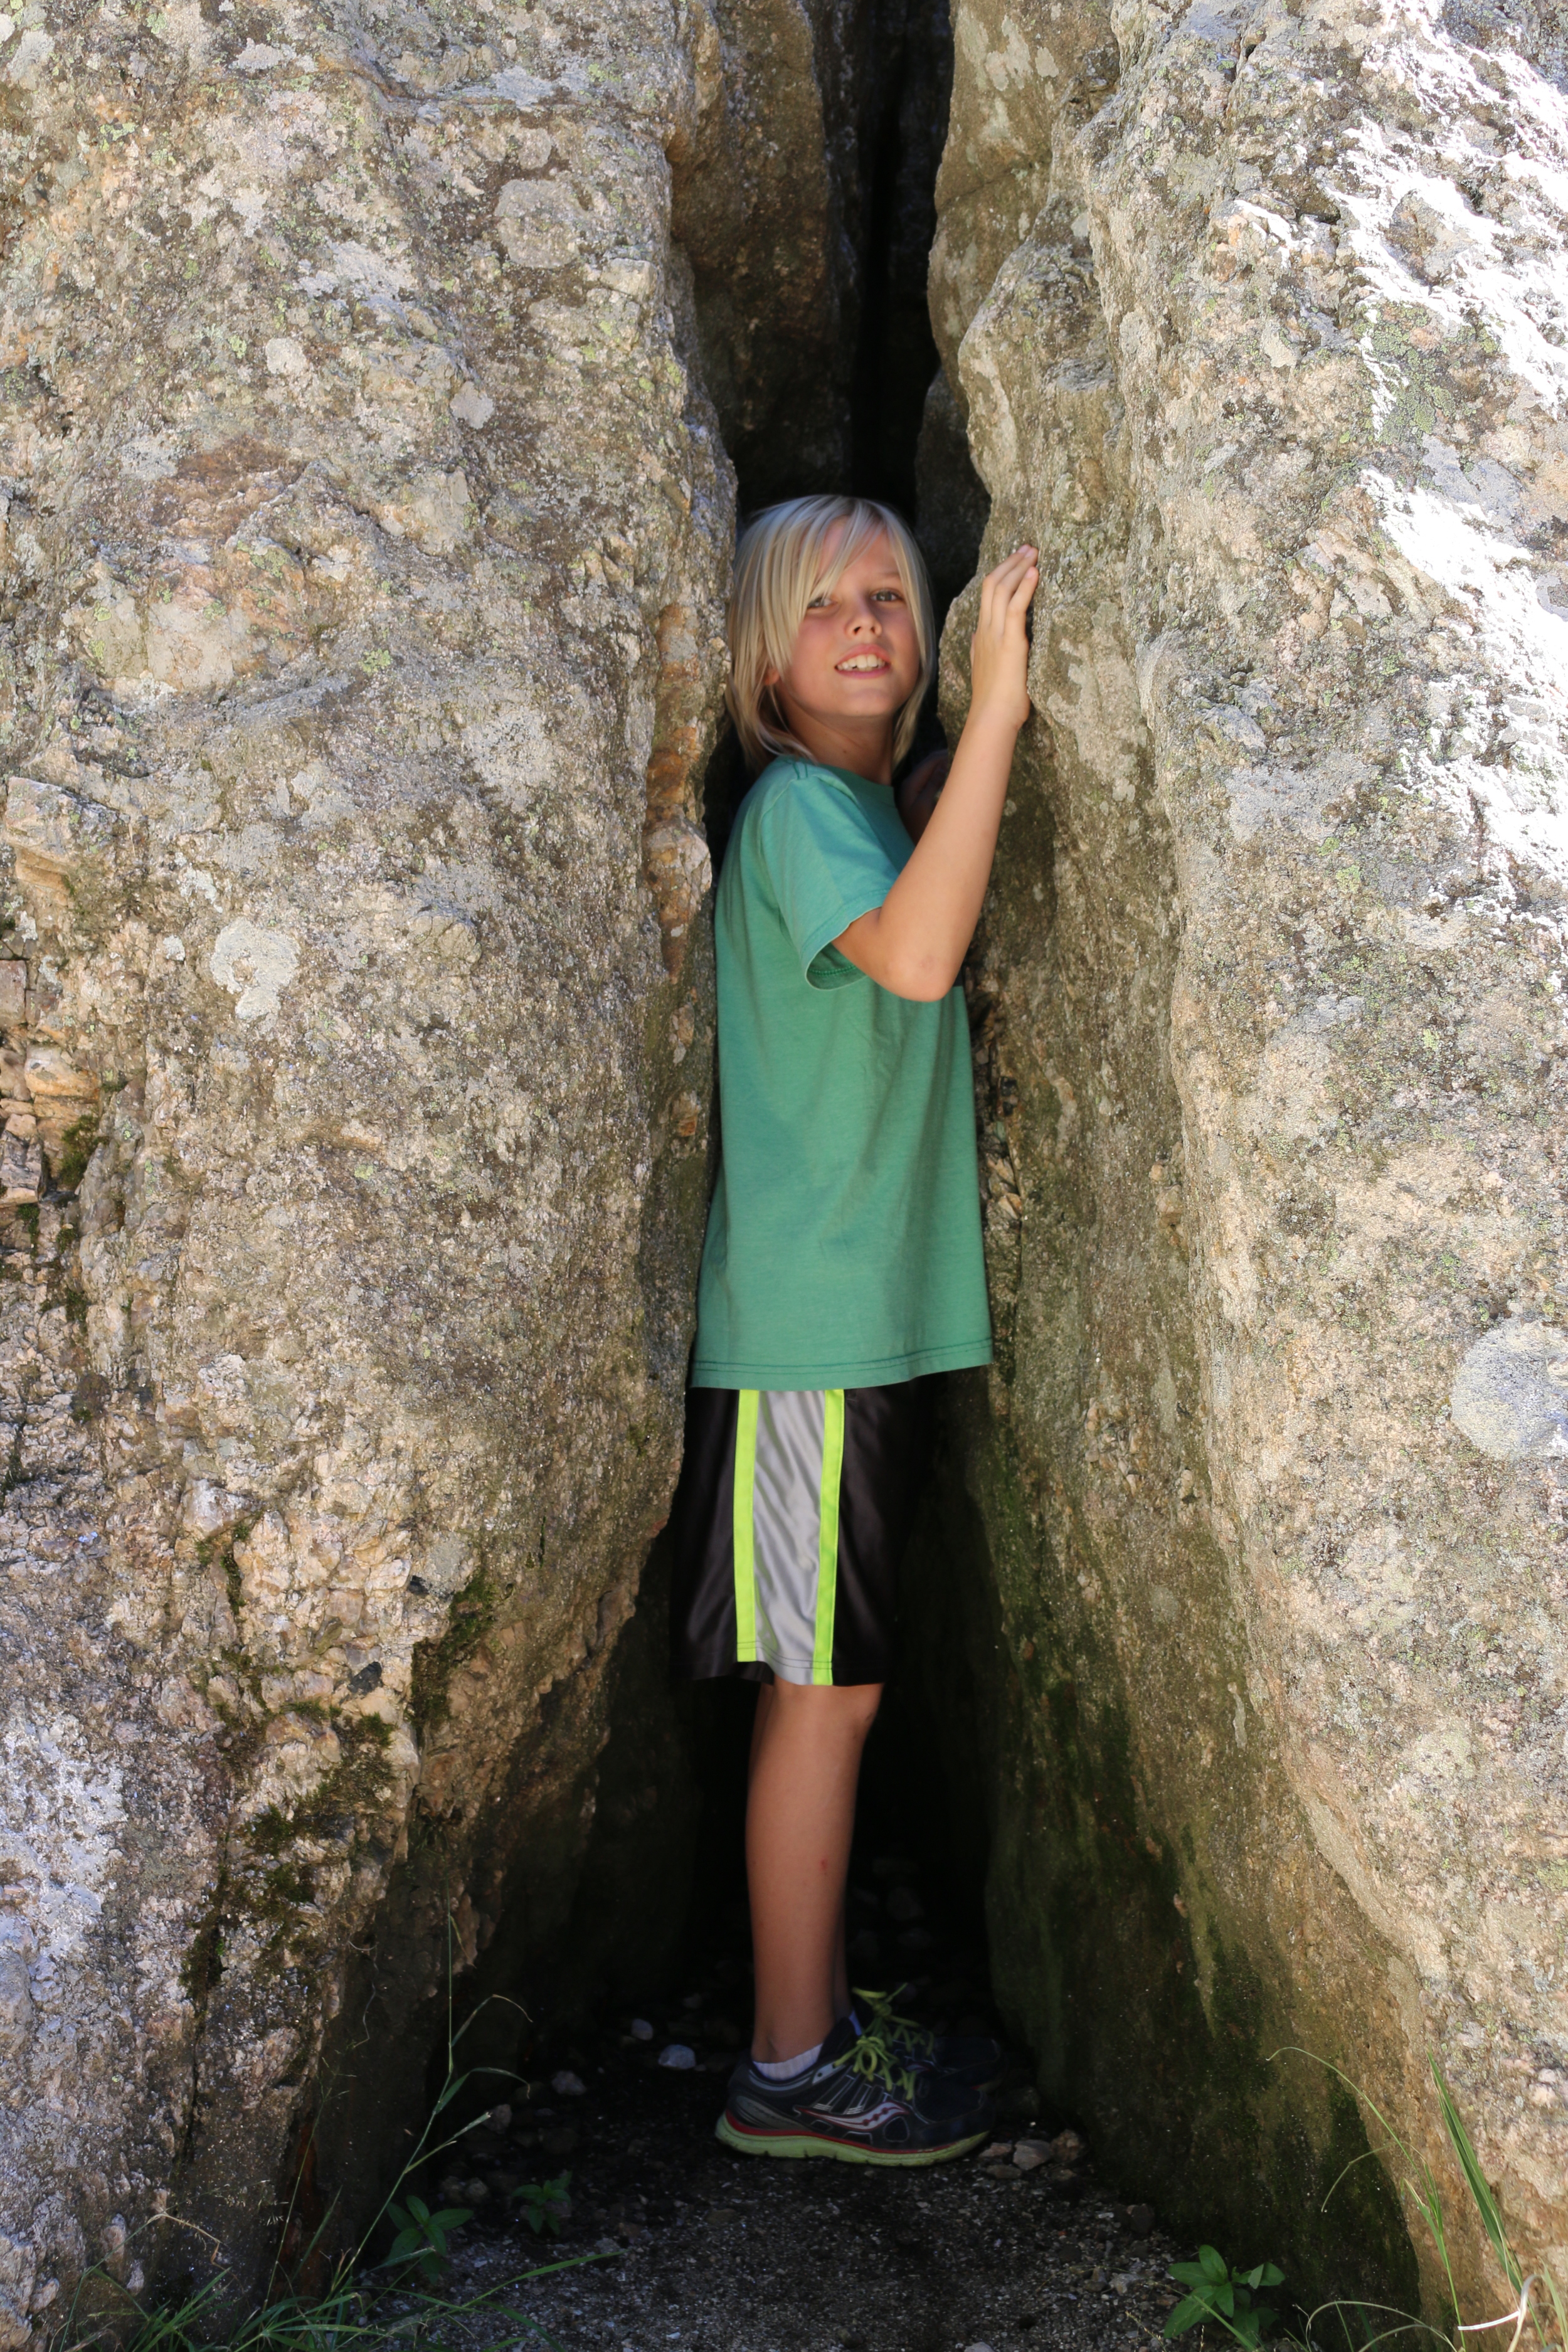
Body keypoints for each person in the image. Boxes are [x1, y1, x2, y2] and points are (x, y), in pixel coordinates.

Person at [669, 492, 1039, 2163]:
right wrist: (1004, 716)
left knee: (845, 1690)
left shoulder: (868, 806)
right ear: (761, 654)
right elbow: (914, 955)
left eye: (892, 595)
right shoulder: (804, 815)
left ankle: (806, 2034)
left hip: (861, 1334)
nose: (868, 626)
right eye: (822, 606)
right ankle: (788, 2066)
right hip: (809, 1342)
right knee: (820, 1699)